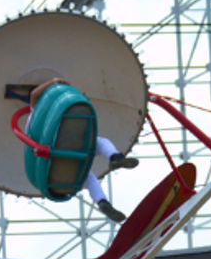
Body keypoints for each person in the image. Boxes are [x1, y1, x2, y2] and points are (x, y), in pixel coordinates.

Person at [28, 77, 138, 222]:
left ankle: (103, 202)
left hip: (55, 162)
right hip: (55, 151)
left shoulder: (40, 118)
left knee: (88, 175)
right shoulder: (39, 115)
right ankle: (114, 158)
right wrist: (55, 81)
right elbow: (34, 95)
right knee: (100, 143)